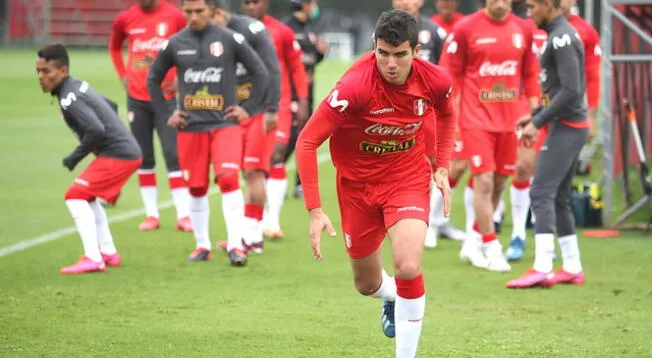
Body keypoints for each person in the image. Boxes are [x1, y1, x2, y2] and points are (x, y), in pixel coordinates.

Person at [296, 10, 456, 357]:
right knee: (366, 284)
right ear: (374, 47)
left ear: (415, 51)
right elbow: (307, 141)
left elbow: (446, 112)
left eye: (400, 54)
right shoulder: (353, 87)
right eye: (383, 53)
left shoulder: (436, 80)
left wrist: (440, 166)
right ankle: (394, 297)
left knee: (409, 265)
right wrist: (314, 208)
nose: (391, 63)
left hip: (407, 177)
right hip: (357, 187)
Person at [147, 0, 269, 263]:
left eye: (199, 11)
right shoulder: (175, 42)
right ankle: (202, 246)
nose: (193, 17)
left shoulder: (229, 38)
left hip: (224, 124)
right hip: (191, 127)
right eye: (188, 11)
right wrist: (168, 113)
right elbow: (153, 78)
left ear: (213, 11)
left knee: (228, 179)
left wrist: (248, 107)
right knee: (197, 188)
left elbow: (260, 72)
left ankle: (236, 245)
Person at [439, 0, 540, 272]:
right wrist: (454, 117)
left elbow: (530, 74)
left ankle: (472, 242)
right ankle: (492, 246)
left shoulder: (523, 30)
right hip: (475, 119)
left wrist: (535, 114)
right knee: (482, 180)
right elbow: (450, 76)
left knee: (498, 183)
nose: (499, 3)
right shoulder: (465, 28)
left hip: (512, 120)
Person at [505, 0, 600, 261]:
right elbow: (557, 91)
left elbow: (571, 91)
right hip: (565, 123)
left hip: (567, 126)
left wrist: (538, 121)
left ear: (548, 5)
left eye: (532, 6)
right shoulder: (558, 34)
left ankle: (543, 264)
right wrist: (534, 115)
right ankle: (572, 266)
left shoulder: (562, 38)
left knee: (540, 192)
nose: (528, 13)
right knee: (558, 196)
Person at [36, 44, 142, 274]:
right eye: (39, 71)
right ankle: (108, 252)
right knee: (89, 197)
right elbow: (111, 106)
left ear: (62, 71)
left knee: (74, 196)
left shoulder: (68, 97)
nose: (41, 77)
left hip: (119, 154)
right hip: (124, 151)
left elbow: (96, 131)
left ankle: (93, 258)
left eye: (47, 71)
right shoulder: (77, 85)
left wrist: (74, 157)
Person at [109, 0, 191, 232]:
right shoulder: (125, 19)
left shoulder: (175, 16)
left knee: (173, 154)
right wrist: (122, 74)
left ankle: (183, 214)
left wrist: (181, 75)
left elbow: (190, 45)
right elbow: (115, 47)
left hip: (166, 97)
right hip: (137, 97)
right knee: (143, 156)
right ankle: (151, 214)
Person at [211, 0, 282, 260]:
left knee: (254, 171)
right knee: (240, 172)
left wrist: (272, 109)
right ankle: (245, 235)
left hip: (259, 111)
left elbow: (272, 70)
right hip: (233, 113)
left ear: (217, 13)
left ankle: (253, 238)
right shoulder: (214, 36)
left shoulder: (252, 29)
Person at [393, 0, 463, 248]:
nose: (405, 3)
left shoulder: (434, 31)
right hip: (397, 112)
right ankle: (407, 221)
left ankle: (432, 222)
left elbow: (448, 70)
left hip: (429, 110)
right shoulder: (385, 29)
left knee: (435, 164)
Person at [242, 0, 310, 240]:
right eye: (246, 3)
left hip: (278, 105)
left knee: (277, 154)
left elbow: (296, 68)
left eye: (255, 2)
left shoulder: (282, 31)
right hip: (247, 107)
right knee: (251, 166)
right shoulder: (235, 32)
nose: (251, 7)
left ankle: (272, 221)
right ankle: (253, 221)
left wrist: (302, 100)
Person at [284, 0, 328, 200]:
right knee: (290, 138)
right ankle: (270, 174)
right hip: (291, 94)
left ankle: (299, 185)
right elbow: (291, 62)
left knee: (306, 138)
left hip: (307, 94)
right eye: (313, 3)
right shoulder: (288, 29)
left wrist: (319, 53)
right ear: (306, 5)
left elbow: (310, 60)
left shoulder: (308, 29)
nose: (316, 7)